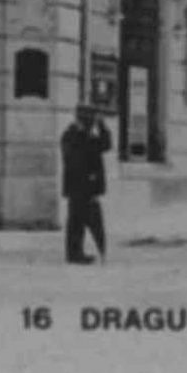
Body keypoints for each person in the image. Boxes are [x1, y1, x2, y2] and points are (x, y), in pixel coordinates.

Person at [60, 103, 112, 264]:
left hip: (85, 188)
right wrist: (89, 179)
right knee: (79, 221)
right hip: (79, 187)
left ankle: (79, 253)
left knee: (81, 221)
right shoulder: (72, 135)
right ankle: (75, 254)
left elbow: (106, 145)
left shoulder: (85, 135)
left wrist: (102, 126)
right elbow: (75, 160)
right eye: (90, 119)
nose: (91, 124)